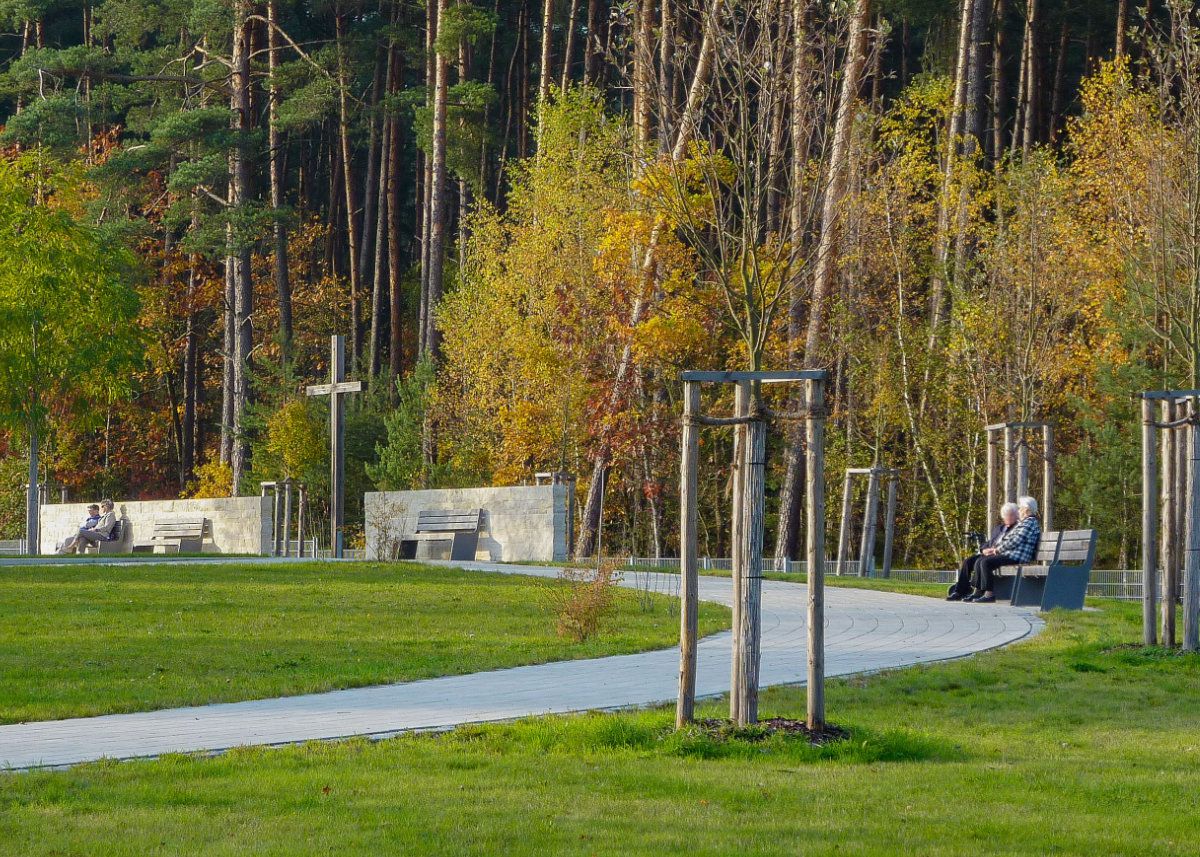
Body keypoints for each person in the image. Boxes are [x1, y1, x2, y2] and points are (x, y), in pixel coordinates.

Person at [965, 495, 1042, 604]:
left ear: (1026, 509)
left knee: (986, 562)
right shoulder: (1025, 522)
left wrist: (996, 550)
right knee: (980, 560)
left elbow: (1015, 540)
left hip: (1018, 556)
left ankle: (989, 594)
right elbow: (1009, 539)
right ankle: (978, 592)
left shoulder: (1029, 523)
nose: (1019, 510)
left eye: (1020, 508)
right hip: (1012, 553)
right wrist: (995, 549)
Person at [947, 502, 1018, 600]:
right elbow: (989, 542)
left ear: (1016, 515)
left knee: (981, 562)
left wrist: (994, 550)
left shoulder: (1017, 529)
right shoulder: (999, 528)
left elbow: (1010, 544)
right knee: (968, 561)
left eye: (1011, 515)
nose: (1009, 517)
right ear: (1003, 516)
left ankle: (979, 592)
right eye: (1006, 515)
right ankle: (959, 591)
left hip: (1000, 554)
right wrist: (983, 550)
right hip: (988, 553)